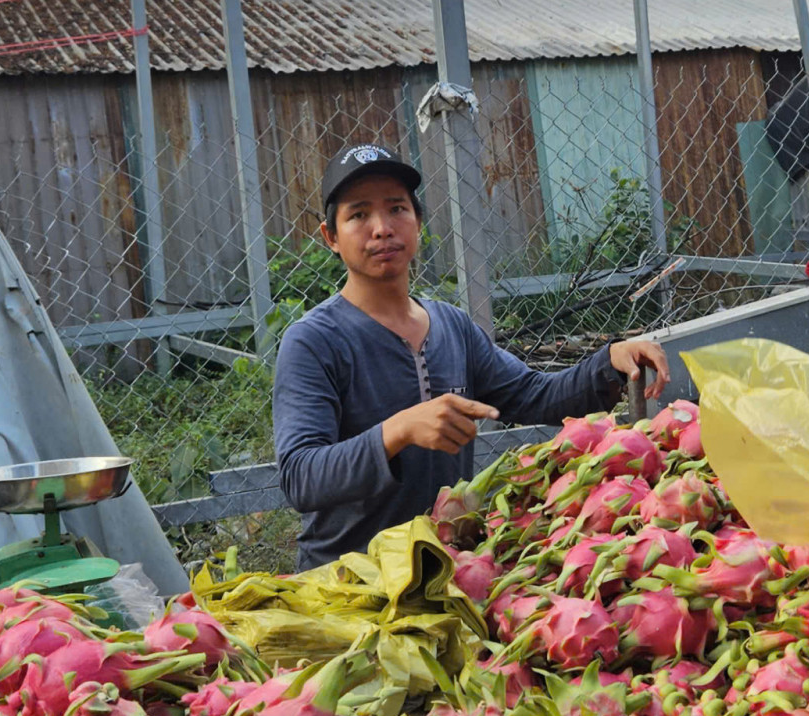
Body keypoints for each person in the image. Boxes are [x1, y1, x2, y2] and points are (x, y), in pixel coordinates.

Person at [274, 144, 669, 569]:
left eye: (397, 209)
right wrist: (399, 430)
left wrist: (607, 362)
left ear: (418, 223)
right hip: (347, 584)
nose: (382, 228)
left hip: (447, 571)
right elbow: (301, 476)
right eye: (358, 215)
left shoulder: (452, 327)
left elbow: (534, 395)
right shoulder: (313, 341)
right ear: (330, 236)